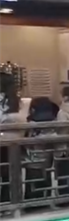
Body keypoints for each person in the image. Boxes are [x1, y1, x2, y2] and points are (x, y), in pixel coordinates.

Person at [0, 73, 25, 204]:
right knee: (11, 172)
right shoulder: (17, 100)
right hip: (15, 141)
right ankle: (10, 199)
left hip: (2, 140)